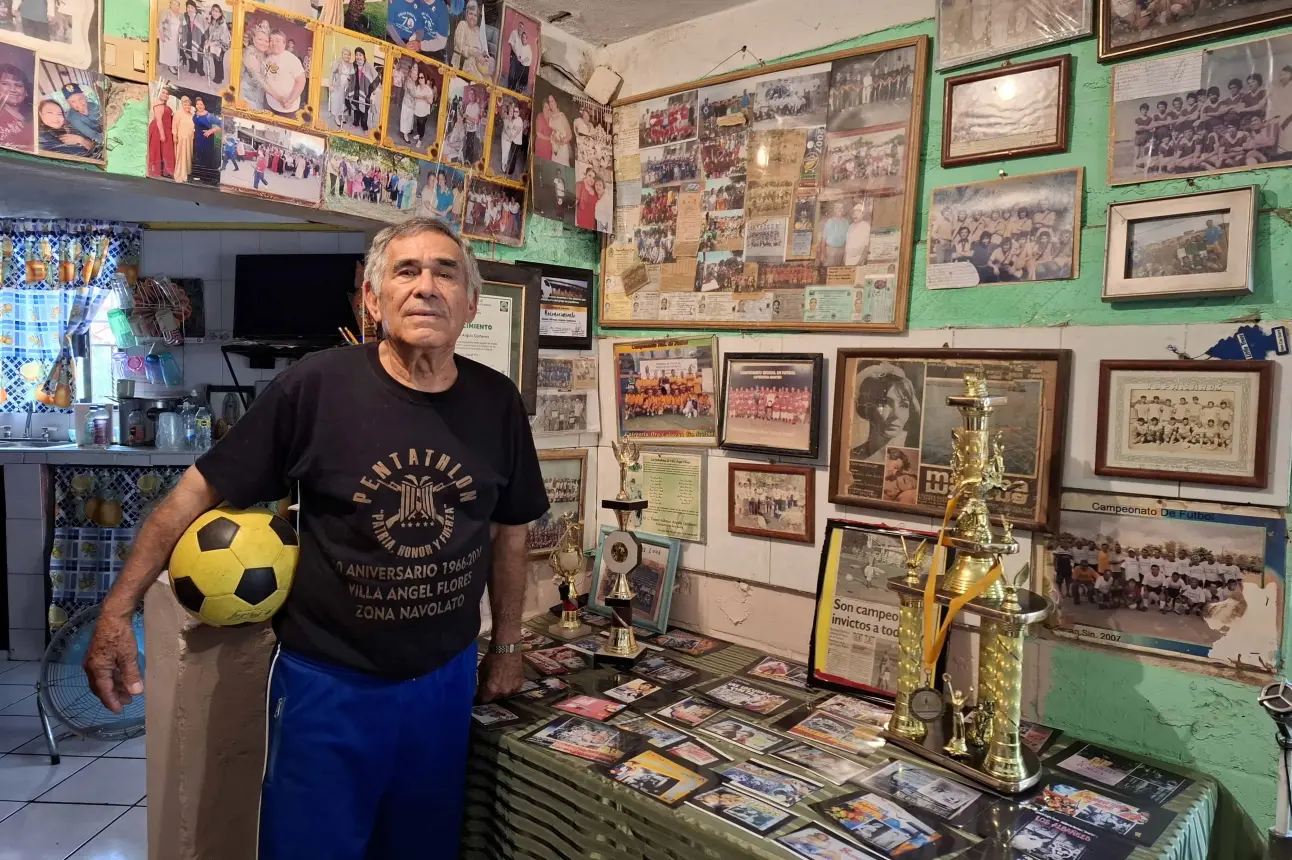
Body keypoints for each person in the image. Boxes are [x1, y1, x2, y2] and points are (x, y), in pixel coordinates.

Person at [84, 218, 546, 860]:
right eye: (406, 271)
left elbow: (511, 534)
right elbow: (194, 492)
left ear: (470, 302)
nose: (427, 287)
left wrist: (507, 646)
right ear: (373, 299)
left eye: (446, 272)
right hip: (329, 686)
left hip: (444, 683)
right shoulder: (317, 387)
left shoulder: (497, 403)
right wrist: (117, 609)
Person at [850, 362, 920, 464]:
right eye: (885, 403)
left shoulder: (910, 459)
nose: (896, 415)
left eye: (903, 405)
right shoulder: (851, 458)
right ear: (868, 406)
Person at [264, 30, 306, 118]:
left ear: (284, 43)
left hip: (287, 109)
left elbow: (301, 81)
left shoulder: (292, 59)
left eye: (277, 41)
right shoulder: (267, 58)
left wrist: (290, 101)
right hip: (270, 105)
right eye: (271, 40)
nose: (274, 43)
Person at [452, 1, 490, 78]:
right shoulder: (463, 25)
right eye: (470, 14)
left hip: (477, 67)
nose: (473, 17)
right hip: (462, 66)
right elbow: (461, 48)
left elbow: (482, 49)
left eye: (475, 15)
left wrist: (484, 56)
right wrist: (475, 53)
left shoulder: (478, 30)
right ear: (466, 15)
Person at [0, 62, 33, 151]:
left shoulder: (34, 120)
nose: (12, 89)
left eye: (18, 85)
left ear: (25, 92)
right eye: (5, 83)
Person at [240, 21, 271, 110]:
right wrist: (278, 96)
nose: (263, 43)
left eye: (266, 41)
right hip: (245, 97)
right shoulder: (249, 52)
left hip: (259, 99)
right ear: (253, 39)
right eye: (260, 39)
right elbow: (259, 78)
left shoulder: (266, 56)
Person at [60, 83, 102, 149]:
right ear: (68, 103)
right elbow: (94, 135)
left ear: (84, 97)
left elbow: (102, 121)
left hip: (100, 134)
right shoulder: (73, 118)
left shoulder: (93, 105)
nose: (79, 104)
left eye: (80, 98)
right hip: (89, 142)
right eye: (73, 102)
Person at [348, 47, 377, 132]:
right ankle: (356, 123)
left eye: (360, 55)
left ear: (364, 56)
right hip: (355, 90)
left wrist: (373, 89)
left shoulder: (369, 66)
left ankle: (364, 126)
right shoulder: (353, 65)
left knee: (364, 110)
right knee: (356, 107)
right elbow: (350, 77)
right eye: (356, 55)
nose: (358, 57)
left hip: (365, 91)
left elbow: (376, 77)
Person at [191, 96, 220, 178]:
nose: (199, 106)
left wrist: (210, 131)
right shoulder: (195, 115)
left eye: (201, 104)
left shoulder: (209, 115)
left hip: (207, 140)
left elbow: (220, 124)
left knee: (207, 157)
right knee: (198, 156)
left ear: (204, 105)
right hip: (198, 138)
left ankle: (206, 177)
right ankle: (198, 175)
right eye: (197, 104)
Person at [171, 94, 195, 183]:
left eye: (189, 105)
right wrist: (174, 136)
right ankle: (180, 173)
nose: (187, 106)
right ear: (182, 105)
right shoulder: (178, 113)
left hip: (190, 139)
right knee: (181, 155)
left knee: (189, 155)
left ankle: (187, 172)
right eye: (185, 104)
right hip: (181, 138)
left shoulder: (192, 115)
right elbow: (174, 126)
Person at [206, 4, 230, 85]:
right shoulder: (214, 20)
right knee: (217, 60)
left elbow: (222, 40)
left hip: (221, 45)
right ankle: (221, 76)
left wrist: (211, 43)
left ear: (220, 13)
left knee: (218, 61)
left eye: (216, 11)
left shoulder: (222, 24)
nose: (214, 13)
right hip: (215, 45)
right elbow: (211, 33)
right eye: (213, 10)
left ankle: (218, 79)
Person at [180, 0, 205, 78]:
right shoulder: (185, 16)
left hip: (198, 38)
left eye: (191, 7)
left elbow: (203, 28)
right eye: (188, 7)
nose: (190, 9)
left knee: (198, 54)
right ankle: (192, 69)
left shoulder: (199, 16)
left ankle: (201, 71)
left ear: (195, 8)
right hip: (188, 37)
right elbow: (182, 27)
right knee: (189, 53)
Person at [157, 0, 183, 76]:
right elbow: (161, 24)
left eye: (177, 5)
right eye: (174, 4)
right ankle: (170, 66)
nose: (175, 6)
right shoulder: (166, 12)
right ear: (170, 4)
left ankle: (174, 64)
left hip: (177, 36)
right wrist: (161, 35)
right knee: (170, 51)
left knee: (175, 51)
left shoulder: (180, 15)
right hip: (168, 35)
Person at [505, 22, 532, 93]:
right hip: (514, 55)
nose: (521, 29)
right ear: (518, 26)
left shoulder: (522, 37)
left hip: (519, 59)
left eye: (522, 28)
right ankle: (509, 87)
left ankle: (513, 88)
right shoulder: (514, 33)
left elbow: (524, 48)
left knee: (517, 74)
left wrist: (521, 58)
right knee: (511, 72)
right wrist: (516, 55)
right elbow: (512, 45)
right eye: (520, 26)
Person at [843, 201, 870, 265]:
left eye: (858, 213)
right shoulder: (850, 226)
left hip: (858, 259)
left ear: (862, 214)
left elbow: (866, 248)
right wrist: (844, 258)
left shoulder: (866, 226)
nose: (855, 215)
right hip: (848, 259)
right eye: (854, 213)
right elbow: (847, 244)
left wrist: (859, 263)